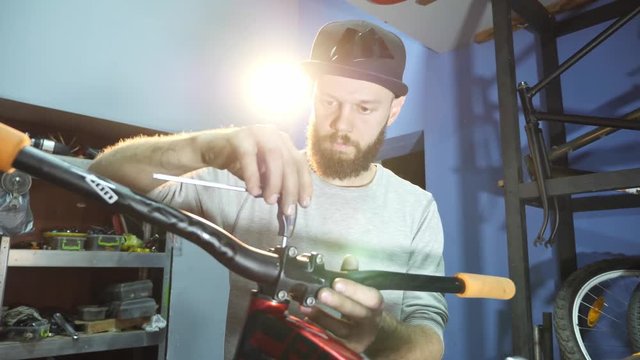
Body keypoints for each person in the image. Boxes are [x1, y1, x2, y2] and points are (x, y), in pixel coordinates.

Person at [90, 19, 447, 359]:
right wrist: (205, 148)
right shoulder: (251, 174)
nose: (341, 123)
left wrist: (381, 335)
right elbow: (102, 177)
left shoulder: (416, 208)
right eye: (329, 102)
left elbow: (429, 342)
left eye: (365, 108)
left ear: (394, 110)